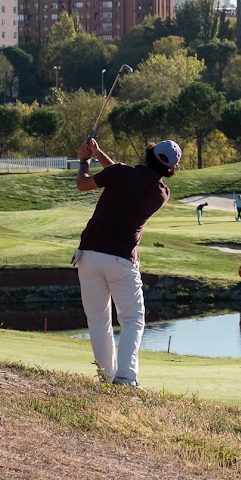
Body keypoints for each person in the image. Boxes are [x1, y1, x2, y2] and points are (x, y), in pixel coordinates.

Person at [74, 137, 182, 388]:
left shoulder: (121, 173)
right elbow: (122, 177)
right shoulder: (161, 194)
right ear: (170, 170)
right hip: (121, 260)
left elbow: (83, 183)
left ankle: (107, 376)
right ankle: (125, 377)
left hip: (88, 255)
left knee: (98, 319)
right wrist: (99, 153)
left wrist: (84, 160)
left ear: (149, 153)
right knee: (132, 319)